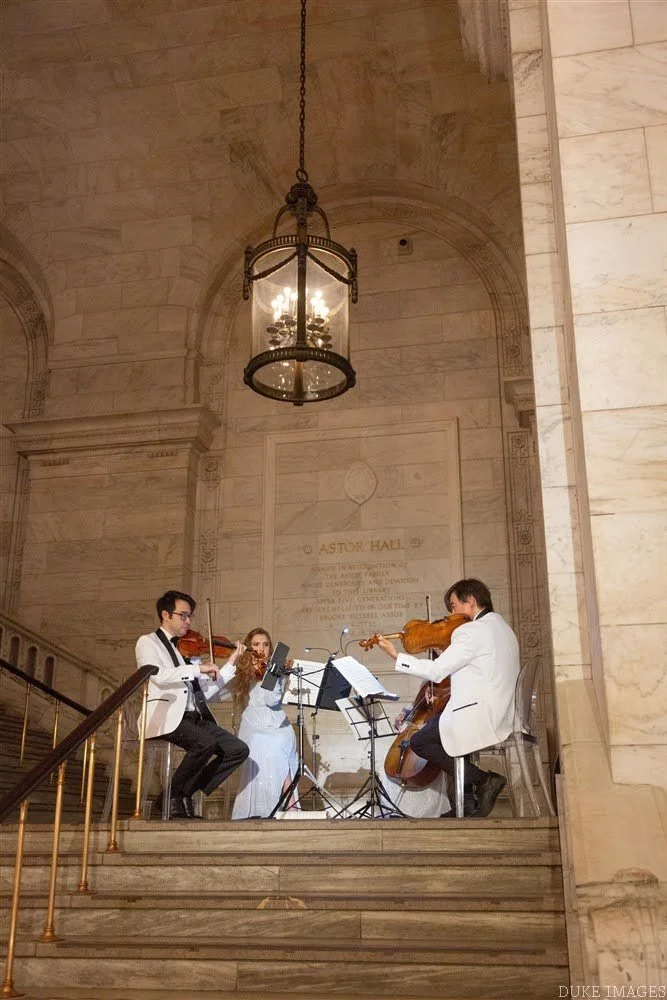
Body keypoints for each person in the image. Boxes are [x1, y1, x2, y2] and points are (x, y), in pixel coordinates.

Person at [376, 578, 519, 818]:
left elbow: (436, 671)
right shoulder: (504, 628)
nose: (451, 614)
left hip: (479, 715)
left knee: (421, 741)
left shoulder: (471, 631)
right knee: (442, 727)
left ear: (470, 601)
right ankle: (466, 805)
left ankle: (484, 780)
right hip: (503, 712)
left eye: (453, 606)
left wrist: (395, 655)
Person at [135, 590, 248, 819]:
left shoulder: (184, 650)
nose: (188, 621)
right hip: (165, 714)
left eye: (190, 616)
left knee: (237, 750)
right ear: (166, 615)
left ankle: (178, 793)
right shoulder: (148, 642)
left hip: (193, 716)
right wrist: (197, 668)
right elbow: (156, 675)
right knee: (205, 743)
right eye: (183, 616)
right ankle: (174, 798)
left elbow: (206, 692)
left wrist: (232, 661)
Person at [231, 628, 298, 820]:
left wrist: (277, 675)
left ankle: (288, 804)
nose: (262, 648)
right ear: (249, 647)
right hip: (254, 724)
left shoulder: (276, 669)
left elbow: (272, 701)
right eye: (256, 644)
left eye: (266, 644)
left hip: (277, 722)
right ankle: (268, 808)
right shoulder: (242, 670)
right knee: (266, 744)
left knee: (281, 742)